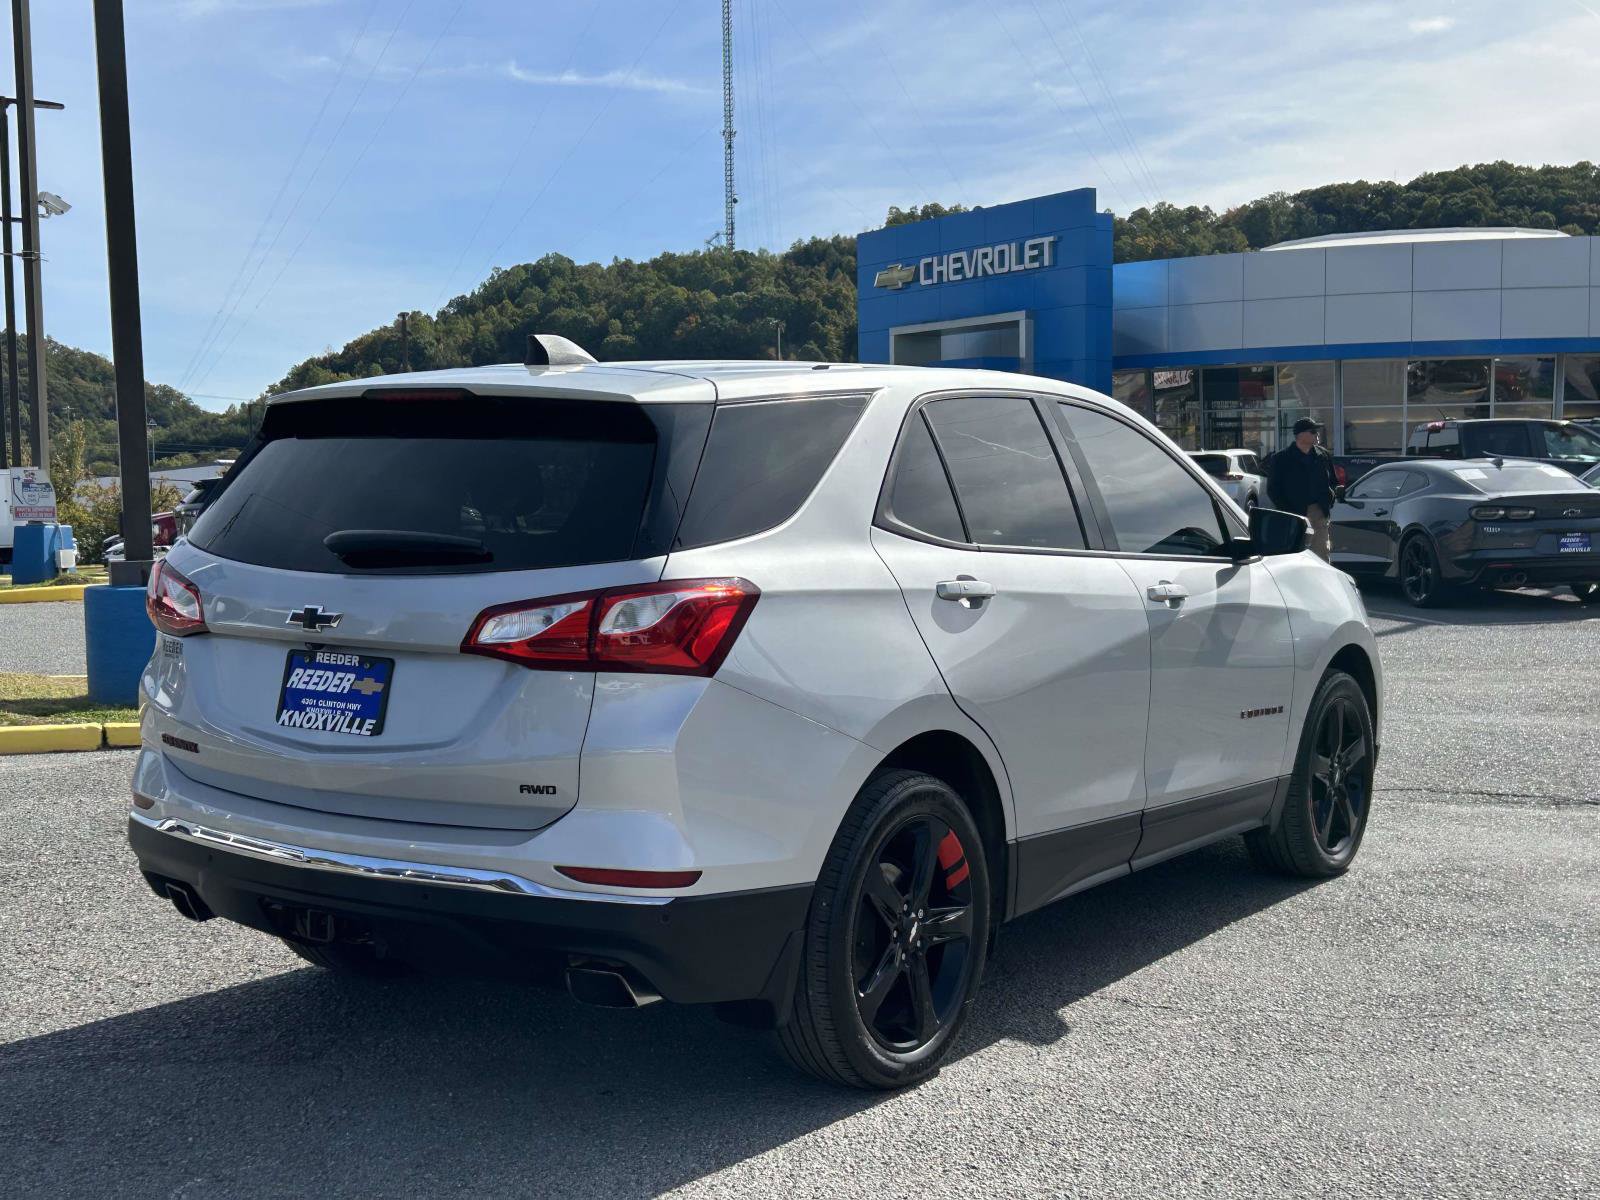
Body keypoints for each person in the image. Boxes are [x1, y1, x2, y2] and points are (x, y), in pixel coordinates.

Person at [1267, 418, 1338, 561]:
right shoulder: (1281, 459)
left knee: (1322, 554)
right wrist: (1287, 510)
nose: (1317, 434)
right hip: (1294, 514)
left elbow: (1333, 481)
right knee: (1296, 555)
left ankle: (1322, 582)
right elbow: (1273, 489)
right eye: (1313, 431)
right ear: (1300, 435)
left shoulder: (1323, 455)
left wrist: (1330, 498)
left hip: (1319, 512)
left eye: (1316, 431)